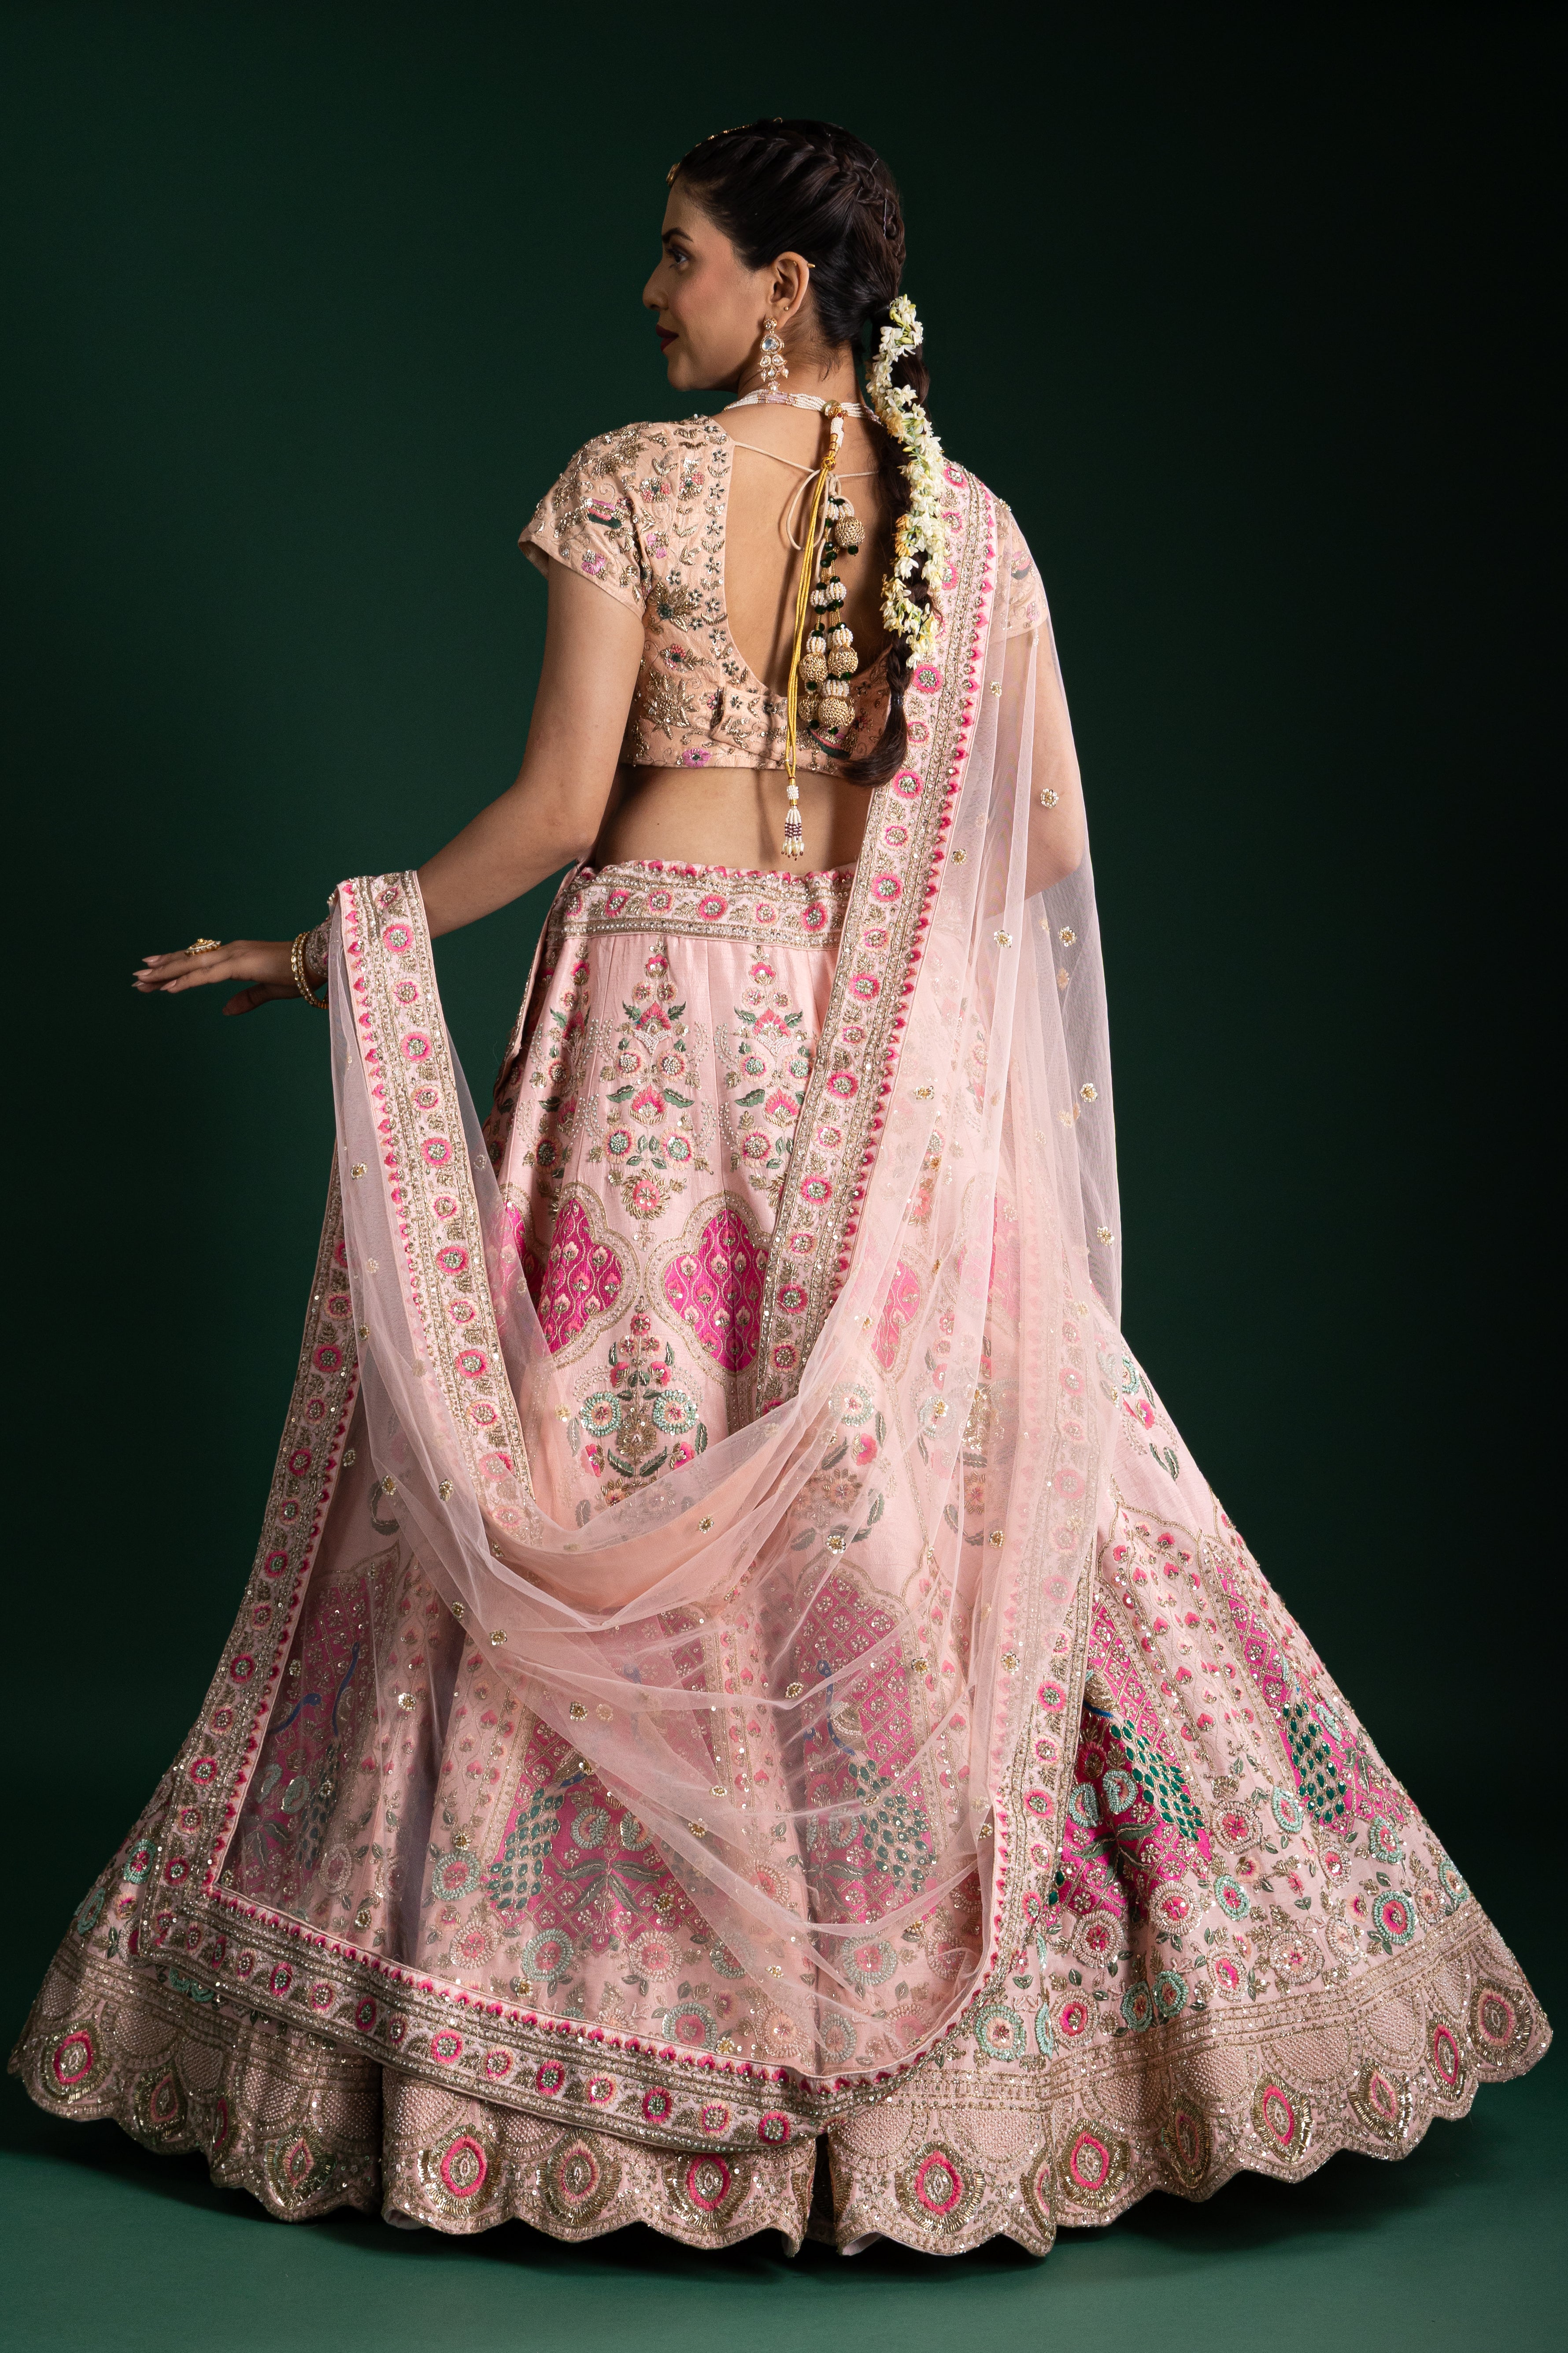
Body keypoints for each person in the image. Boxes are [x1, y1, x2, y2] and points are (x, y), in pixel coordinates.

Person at [11, 119, 1545, 2257]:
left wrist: (317, 946)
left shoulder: (632, 484)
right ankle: (1110, 2021)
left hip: (650, 1027)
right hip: (863, 1046)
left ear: (785, 287)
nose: (650, 294)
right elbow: (1034, 853)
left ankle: (541, 2035)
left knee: (597, 1463)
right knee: (939, 1471)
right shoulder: (974, 535)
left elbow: (561, 808)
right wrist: (871, 974)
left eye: (677, 255)